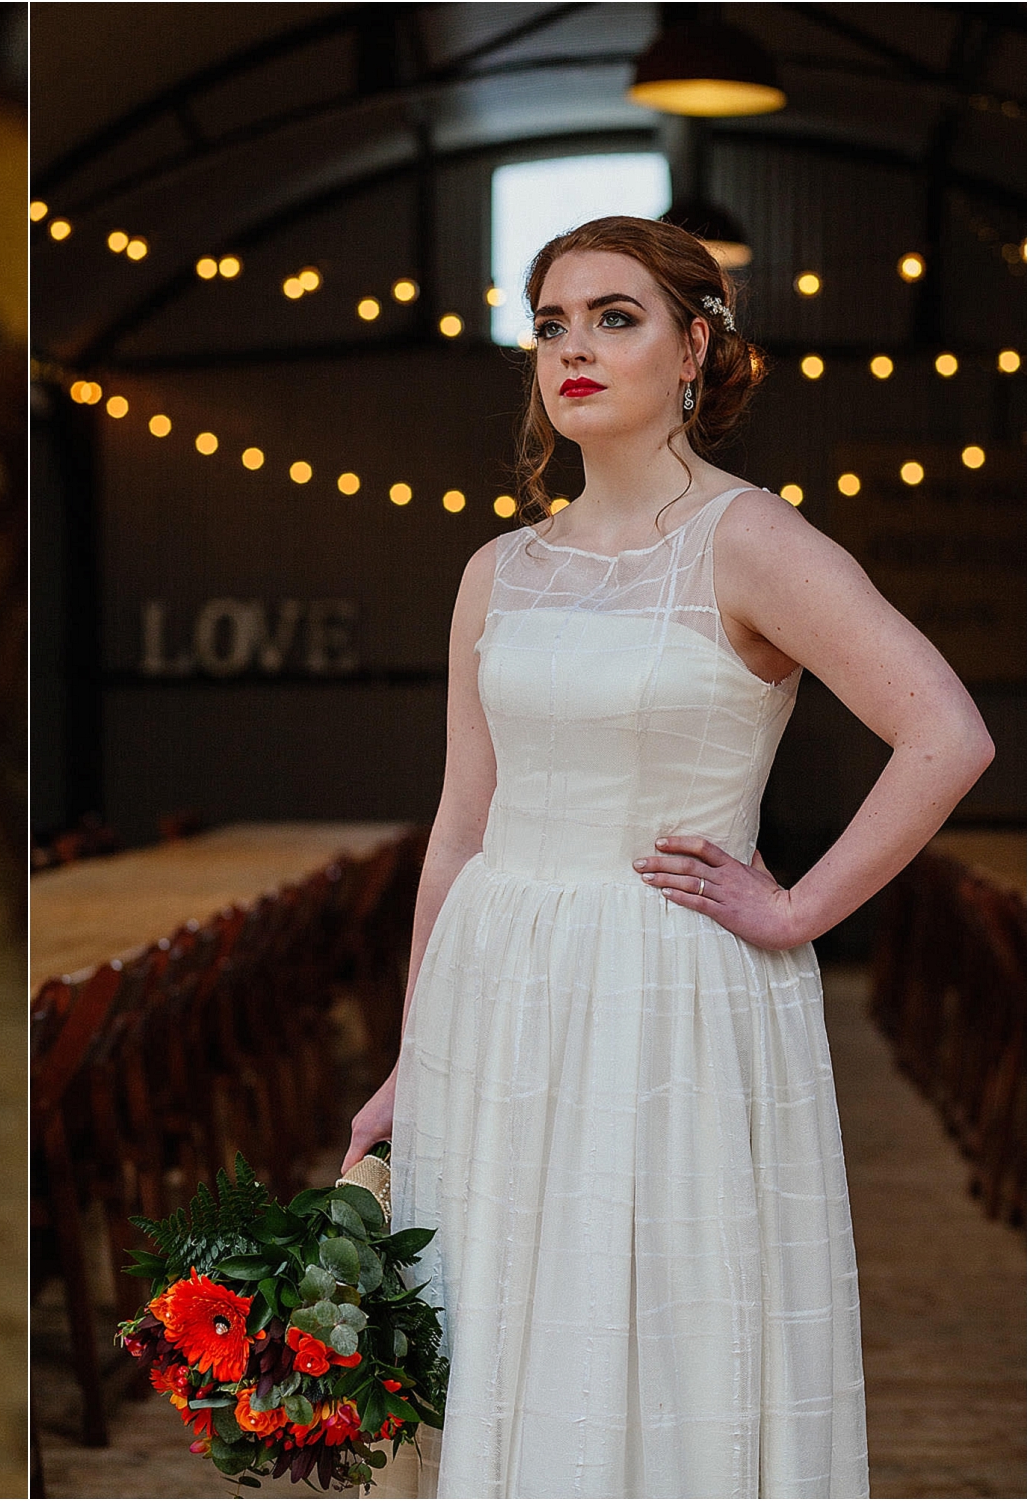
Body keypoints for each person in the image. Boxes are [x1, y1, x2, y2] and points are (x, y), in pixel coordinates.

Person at [340, 215, 993, 1497]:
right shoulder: (497, 569)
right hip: (497, 987)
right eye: (550, 324)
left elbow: (945, 733)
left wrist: (798, 904)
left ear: (693, 346)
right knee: (504, 1317)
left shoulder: (748, 543)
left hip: (666, 989)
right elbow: (459, 825)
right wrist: (411, 1056)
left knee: (658, 1319)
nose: (573, 348)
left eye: (614, 317)